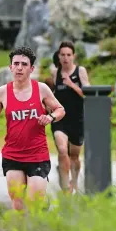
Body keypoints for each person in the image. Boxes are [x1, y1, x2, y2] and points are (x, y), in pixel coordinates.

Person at [0, 47, 65, 211]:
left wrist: (50, 117)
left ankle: (40, 217)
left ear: (31, 69)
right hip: (13, 154)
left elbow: (60, 110)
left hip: (37, 154)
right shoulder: (2, 92)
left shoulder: (41, 89)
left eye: (24, 64)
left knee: (34, 202)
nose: (19, 67)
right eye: (16, 64)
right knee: (18, 203)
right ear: (10, 67)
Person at [50, 41, 90, 193]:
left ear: (73, 56)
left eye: (68, 55)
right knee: (62, 150)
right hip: (60, 119)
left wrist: (72, 84)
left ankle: (75, 182)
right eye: (62, 55)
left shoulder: (80, 71)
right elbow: (52, 95)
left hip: (77, 119)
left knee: (74, 155)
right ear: (58, 56)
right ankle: (66, 187)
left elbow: (87, 94)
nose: (65, 58)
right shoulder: (55, 73)